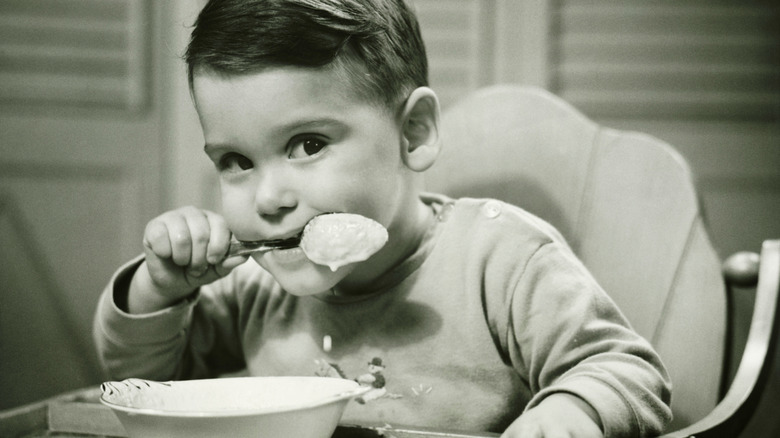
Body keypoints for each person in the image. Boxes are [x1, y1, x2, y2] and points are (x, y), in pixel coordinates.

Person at [93, 1, 672, 437]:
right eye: (236, 161)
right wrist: (159, 290)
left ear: (412, 133)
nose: (268, 198)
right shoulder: (252, 288)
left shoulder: (502, 262)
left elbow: (625, 371)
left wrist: (567, 417)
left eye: (308, 144)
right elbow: (146, 387)